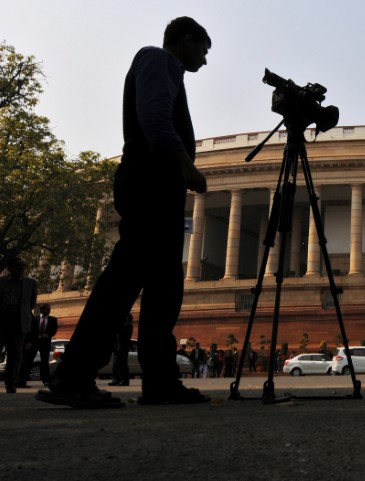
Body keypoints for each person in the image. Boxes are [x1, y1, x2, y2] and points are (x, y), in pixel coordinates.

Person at [37, 17, 212, 408]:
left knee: (160, 286)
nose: (204, 59)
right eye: (203, 49)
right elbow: (153, 117)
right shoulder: (157, 59)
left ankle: (156, 382)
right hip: (151, 183)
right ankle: (77, 376)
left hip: (153, 186)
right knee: (129, 282)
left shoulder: (167, 69)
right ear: (186, 40)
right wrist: (186, 165)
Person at [0, 257, 38, 393]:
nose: (20, 269)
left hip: (18, 323)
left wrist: (23, 314)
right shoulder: (2, 281)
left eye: (22, 266)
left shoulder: (30, 283)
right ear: (10, 268)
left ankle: (10, 383)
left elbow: (32, 303)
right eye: (17, 266)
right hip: (2, 321)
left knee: (15, 355)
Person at [35, 304, 59, 386]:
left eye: (49, 310)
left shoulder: (53, 319)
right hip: (34, 342)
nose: (49, 311)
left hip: (46, 343)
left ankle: (45, 379)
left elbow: (54, 330)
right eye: (47, 309)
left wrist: (48, 335)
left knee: (44, 361)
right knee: (27, 360)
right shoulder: (35, 319)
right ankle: (21, 380)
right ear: (42, 310)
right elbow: (31, 329)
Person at [109, 314, 134, 386]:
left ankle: (124, 381)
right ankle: (116, 380)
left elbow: (120, 332)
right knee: (115, 364)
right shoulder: (124, 325)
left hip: (122, 348)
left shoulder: (128, 325)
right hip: (118, 347)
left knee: (122, 364)